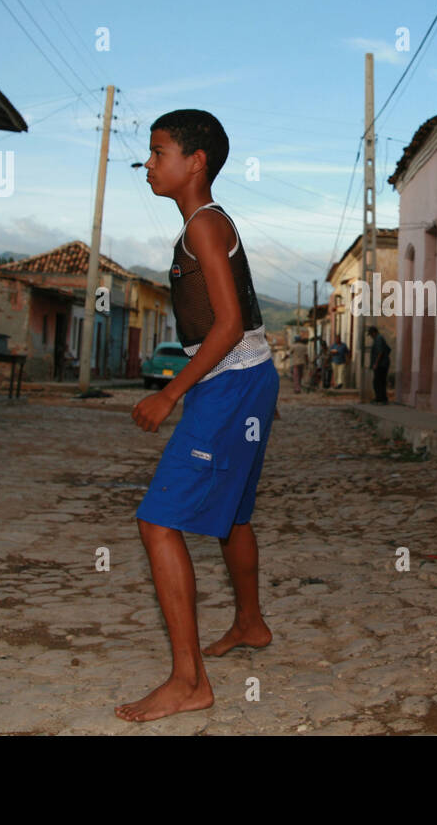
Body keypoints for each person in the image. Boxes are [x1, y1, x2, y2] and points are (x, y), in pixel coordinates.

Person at [118, 109, 280, 722]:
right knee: (233, 512)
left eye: (159, 152)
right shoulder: (203, 224)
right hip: (251, 379)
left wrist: (171, 392)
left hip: (229, 382)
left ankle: (189, 682)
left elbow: (229, 325)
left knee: (158, 522)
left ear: (196, 162)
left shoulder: (205, 226)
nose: (150, 163)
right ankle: (251, 622)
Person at [367, 325, 390, 404]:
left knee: (377, 381)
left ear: (374, 333)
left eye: (370, 334)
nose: (371, 336)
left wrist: (376, 363)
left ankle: (380, 398)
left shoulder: (378, 339)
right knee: (381, 381)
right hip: (383, 363)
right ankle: (382, 398)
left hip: (381, 364)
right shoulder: (379, 338)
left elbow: (380, 352)